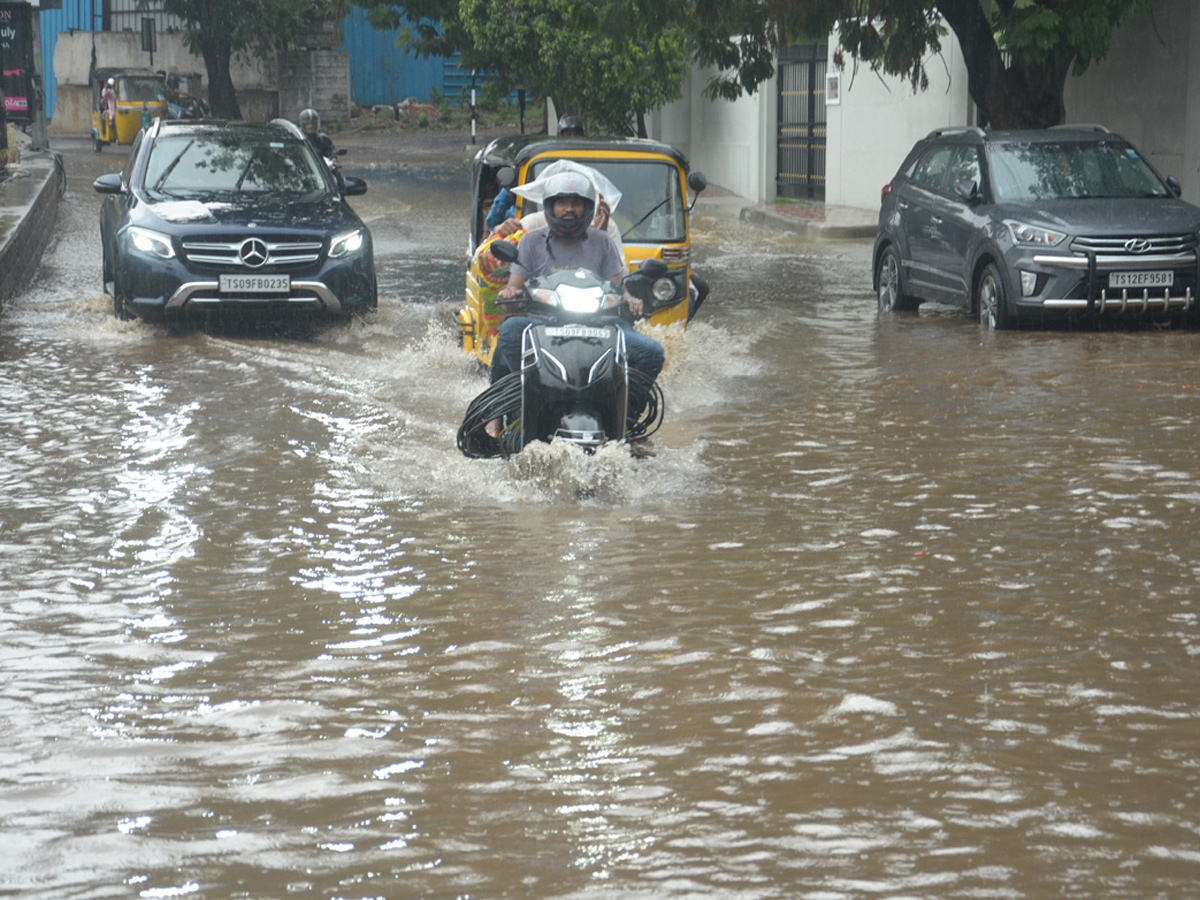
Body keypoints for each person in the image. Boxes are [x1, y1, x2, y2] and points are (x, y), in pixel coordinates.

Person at [488, 170, 664, 451]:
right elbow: (515, 284)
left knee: (652, 352)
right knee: (509, 333)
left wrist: (631, 300)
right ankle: (518, 406)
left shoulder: (602, 241)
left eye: (576, 203)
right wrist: (510, 292)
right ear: (550, 206)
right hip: (543, 324)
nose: (569, 209)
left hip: (601, 325)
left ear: (587, 208)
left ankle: (628, 417)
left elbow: (620, 286)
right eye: (562, 202)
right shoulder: (532, 241)